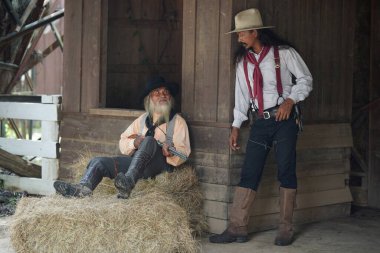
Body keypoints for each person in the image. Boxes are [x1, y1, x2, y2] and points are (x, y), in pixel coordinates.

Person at [209, 8, 313, 246]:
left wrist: (290, 100)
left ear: (255, 32)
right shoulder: (242, 63)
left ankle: (285, 229)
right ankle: (237, 228)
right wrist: (236, 125)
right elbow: (242, 97)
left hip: (284, 120)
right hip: (260, 122)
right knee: (249, 172)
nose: (239, 39)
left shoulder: (285, 54)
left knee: (286, 169)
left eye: (242, 34)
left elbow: (306, 79)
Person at [54, 76, 191, 199]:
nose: (162, 96)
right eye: (157, 93)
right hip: (137, 167)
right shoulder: (142, 120)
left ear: (170, 98)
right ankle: (82, 189)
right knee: (98, 162)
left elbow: (184, 153)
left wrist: (170, 151)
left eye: (165, 93)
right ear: (149, 100)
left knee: (149, 140)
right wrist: (134, 143)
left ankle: (128, 182)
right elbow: (123, 141)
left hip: (159, 168)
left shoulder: (178, 122)